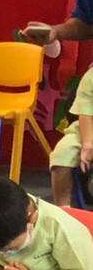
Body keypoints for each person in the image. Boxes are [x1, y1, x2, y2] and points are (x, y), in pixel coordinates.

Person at [49, 66, 93, 207]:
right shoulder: (90, 76)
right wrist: (87, 144)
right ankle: (63, 209)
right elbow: (85, 113)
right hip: (86, 129)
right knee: (62, 152)